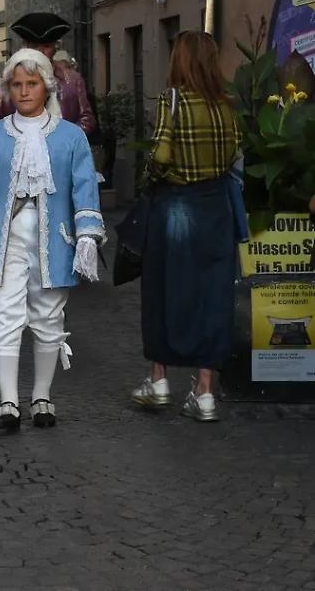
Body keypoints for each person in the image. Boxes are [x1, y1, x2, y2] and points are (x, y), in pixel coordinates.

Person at [0, 48, 104, 431]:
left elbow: (84, 189)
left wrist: (87, 236)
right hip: (2, 241)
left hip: (53, 241)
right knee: (3, 317)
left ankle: (42, 397)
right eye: (17, 85)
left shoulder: (71, 137)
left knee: (47, 318)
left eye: (32, 84)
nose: (24, 92)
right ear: (8, 89)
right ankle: (8, 401)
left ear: (46, 87)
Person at [133, 31, 241, 422]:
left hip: (176, 206)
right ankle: (206, 392)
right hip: (215, 209)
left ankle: (159, 381)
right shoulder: (226, 106)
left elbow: (161, 153)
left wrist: (149, 177)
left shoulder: (172, 101)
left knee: (164, 290)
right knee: (212, 295)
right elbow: (233, 154)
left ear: (180, 61)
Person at [0, 13, 96, 136]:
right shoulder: (6, 77)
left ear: (56, 48)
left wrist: (64, 140)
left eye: (46, 46)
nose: (40, 51)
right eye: (34, 46)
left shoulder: (72, 79)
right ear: (25, 47)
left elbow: (87, 120)